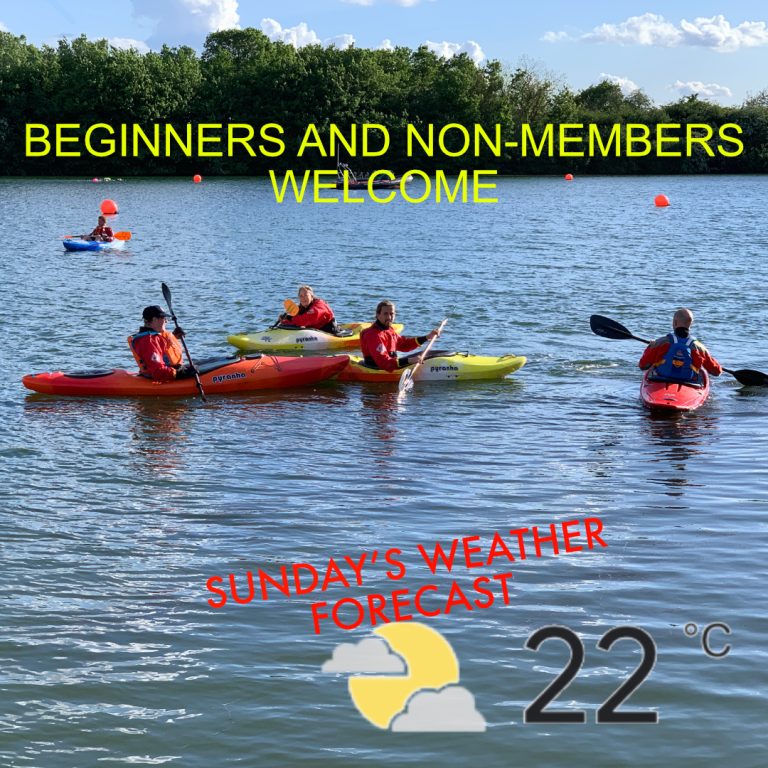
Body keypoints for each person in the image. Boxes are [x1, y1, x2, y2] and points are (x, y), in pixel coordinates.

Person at [639, 308, 722, 382]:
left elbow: (643, 365)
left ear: (674, 322)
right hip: (688, 381)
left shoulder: (661, 342)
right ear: (690, 324)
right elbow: (716, 372)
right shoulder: (699, 347)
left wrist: (650, 348)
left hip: (660, 378)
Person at [359, 300, 441, 371]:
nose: (389, 317)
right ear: (377, 315)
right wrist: (409, 361)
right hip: (378, 368)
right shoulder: (372, 335)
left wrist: (427, 337)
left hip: (391, 364)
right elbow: (384, 362)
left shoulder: (389, 330)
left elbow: (404, 344)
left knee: (425, 355)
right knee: (413, 359)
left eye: (391, 314)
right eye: (385, 314)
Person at [128, 305, 192, 382]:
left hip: (171, 370)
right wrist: (180, 373)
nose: (166, 321)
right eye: (163, 318)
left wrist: (175, 336)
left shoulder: (154, 336)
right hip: (164, 376)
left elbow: (164, 346)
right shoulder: (148, 341)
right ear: (154, 319)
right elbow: (158, 372)